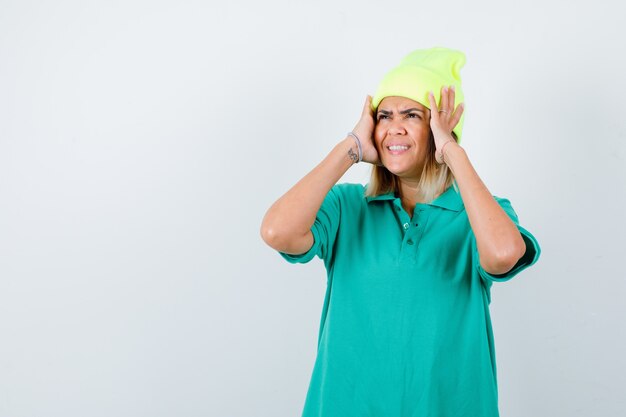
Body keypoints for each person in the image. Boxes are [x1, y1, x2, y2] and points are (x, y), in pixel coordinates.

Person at [260, 47, 541, 417]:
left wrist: (454, 154)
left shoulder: (482, 213)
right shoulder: (347, 207)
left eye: (412, 115)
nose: (395, 126)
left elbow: (504, 255)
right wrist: (351, 147)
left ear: (440, 130)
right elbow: (277, 230)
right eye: (384, 116)